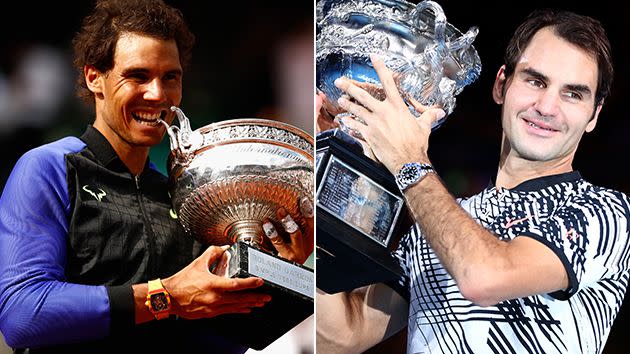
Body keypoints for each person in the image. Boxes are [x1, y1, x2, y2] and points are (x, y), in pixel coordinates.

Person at [0, 0, 313, 352]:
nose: (157, 94)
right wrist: (165, 297)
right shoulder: (49, 167)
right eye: (137, 76)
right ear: (94, 78)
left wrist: (278, 274)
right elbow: (23, 314)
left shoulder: (183, 198)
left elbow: (222, 337)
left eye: (170, 77)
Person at [316, 8, 630, 354]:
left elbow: (484, 278)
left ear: (593, 115)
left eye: (573, 94)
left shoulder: (604, 212)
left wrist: (408, 161)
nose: (547, 107)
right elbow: (341, 337)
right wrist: (324, 169)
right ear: (501, 85)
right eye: (535, 81)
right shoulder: (434, 224)